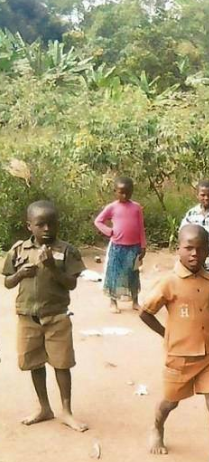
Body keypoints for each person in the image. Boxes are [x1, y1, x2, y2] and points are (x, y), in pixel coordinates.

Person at [140, 224, 209, 462]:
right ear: (179, 249)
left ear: (208, 250)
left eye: (200, 248)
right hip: (180, 356)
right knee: (170, 402)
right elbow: (145, 313)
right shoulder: (169, 282)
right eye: (188, 248)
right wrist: (166, 334)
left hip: (208, 355)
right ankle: (156, 427)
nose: (194, 253)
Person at [3, 200, 88, 432]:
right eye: (41, 224)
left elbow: (71, 284)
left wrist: (51, 267)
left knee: (62, 364)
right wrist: (19, 274)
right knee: (34, 362)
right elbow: (7, 282)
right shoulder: (19, 250)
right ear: (29, 226)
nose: (47, 229)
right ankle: (44, 407)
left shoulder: (67, 251)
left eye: (52, 224)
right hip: (27, 316)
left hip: (56, 316)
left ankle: (67, 411)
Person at [93, 176, 146, 313]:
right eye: (121, 192)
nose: (124, 195)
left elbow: (141, 227)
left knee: (133, 274)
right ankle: (113, 302)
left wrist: (143, 246)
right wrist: (109, 231)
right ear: (115, 192)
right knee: (114, 273)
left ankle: (135, 301)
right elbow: (98, 221)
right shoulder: (112, 207)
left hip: (134, 247)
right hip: (117, 247)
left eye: (128, 192)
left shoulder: (136, 208)